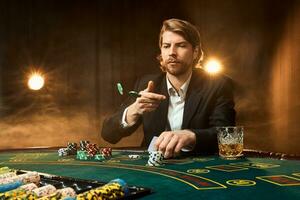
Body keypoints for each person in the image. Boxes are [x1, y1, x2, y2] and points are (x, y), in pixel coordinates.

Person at [101, 18, 235, 158]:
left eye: (181, 45)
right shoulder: (147, 84)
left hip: (198, 169)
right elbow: (108, 134)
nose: (172, 52)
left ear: (195, 52)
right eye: (166, 46)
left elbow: (226, 135)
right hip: (154, 169)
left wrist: (191, 136)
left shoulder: (218, 84)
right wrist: (134, 110)